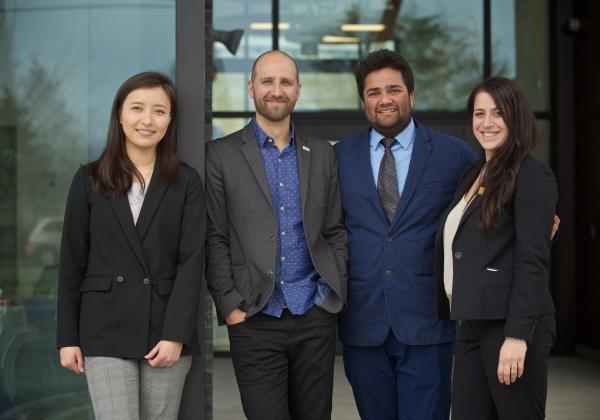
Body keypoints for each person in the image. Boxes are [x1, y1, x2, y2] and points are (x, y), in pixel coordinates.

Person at [333, 49, 478, 419]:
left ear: (411, 95)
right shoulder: (336, 158)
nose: (384, 99)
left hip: (428, 322)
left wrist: (541, 221)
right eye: (373, 92)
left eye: (393, 90)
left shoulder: (455, 155)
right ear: (363, 101)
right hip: (362, 323)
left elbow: (489, 212)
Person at [205, 50, 347, 420]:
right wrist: (230, 306)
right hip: (253, 317)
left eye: (286, 82)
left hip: (314, 315)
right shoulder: (220, 156)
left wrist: (330, 291)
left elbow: (334, 230)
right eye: (267, 81)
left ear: (298, 90)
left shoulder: (321, 154)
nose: (276, 90)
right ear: (251, 88)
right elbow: (215, 237)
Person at [57, 71, 206, 420]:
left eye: (159, 110)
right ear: (120, 115)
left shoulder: (186, 182)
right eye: (137, 108)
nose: (147, 120)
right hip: (104, 328)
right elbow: (71, 262)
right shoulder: (89, 180)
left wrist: (176, 335)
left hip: (165, 332)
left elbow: (192, 261)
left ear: (170, 120)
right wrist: (67, 337)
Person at [434, 76, 558, 419]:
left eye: (497, 113)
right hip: (474, 320)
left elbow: (532, 261)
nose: (486, 123)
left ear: (515, 117)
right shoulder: (475, 173)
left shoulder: (532, 175)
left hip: (511, 324)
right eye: (479, 113)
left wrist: (518, 337)